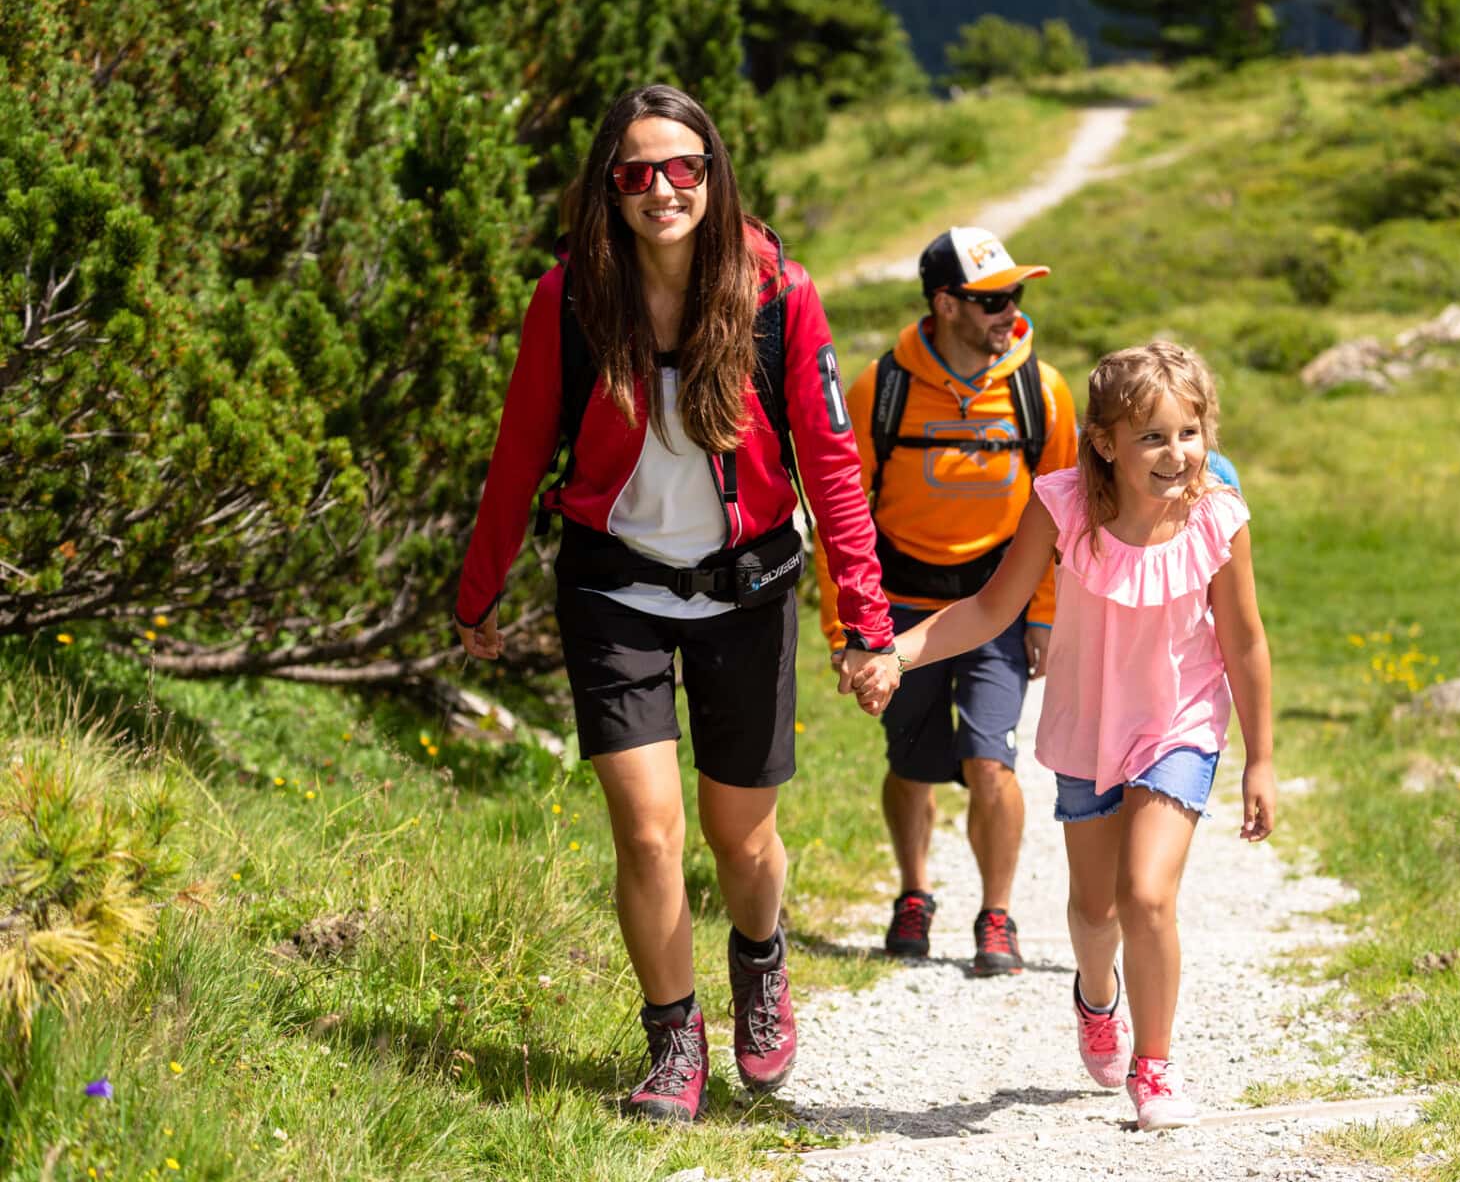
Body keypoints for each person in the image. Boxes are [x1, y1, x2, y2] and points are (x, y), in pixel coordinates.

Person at [454, 84, 902, 1122]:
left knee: (740, 837)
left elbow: (832, 464)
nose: (663, 189)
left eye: (683, 167)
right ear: (608, 189)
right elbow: (520, 452)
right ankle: (671, 1041)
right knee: (649, 832)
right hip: (615, 589)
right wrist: (478, 592)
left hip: (748, 590)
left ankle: (760, 963)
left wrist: (864, 621)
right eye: (637, 172)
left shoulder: (778, 293)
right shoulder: (570, 297)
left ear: (714, 173)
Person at [848, 341, 1278, 1131]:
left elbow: (1245, 643)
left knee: (1145, 894)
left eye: (1189, 432)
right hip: (1087, 729)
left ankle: (1154, 1066)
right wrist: (895, 651)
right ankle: (1095, 996)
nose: (1175, 453)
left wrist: (1261, 760)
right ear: (1106, 442)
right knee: (1094, 912)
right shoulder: (1063, 506)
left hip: (1179, 725)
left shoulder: (1219, 516)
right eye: (1151, 436)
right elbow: (987, 611)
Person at [815, 226, 1077, 975]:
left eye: (1014, 296)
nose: (1010, 313)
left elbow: (1058, 513)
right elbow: (844, 516)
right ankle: (914, 892)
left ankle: (996, 916)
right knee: (912, 764)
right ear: (945, 304)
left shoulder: (1041, 389)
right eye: (992, 300)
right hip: (896, 612)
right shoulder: (880, 388)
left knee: (991, 760)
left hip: (998, 608)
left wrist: (1047, 613)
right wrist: (849, 631)